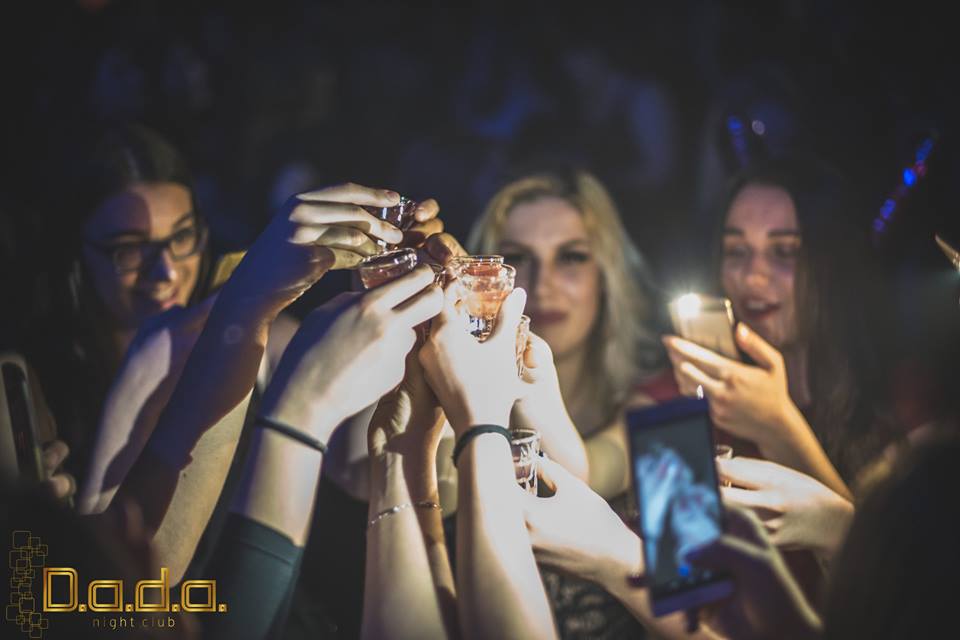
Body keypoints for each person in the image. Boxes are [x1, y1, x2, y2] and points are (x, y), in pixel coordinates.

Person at [466, 167, 672, 638]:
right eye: (518, 258)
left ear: (607, 278)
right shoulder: (456, 408)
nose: (542, 284)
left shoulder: (658, 405)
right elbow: (360, 471)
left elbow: (699, 604)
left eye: (572, 258)